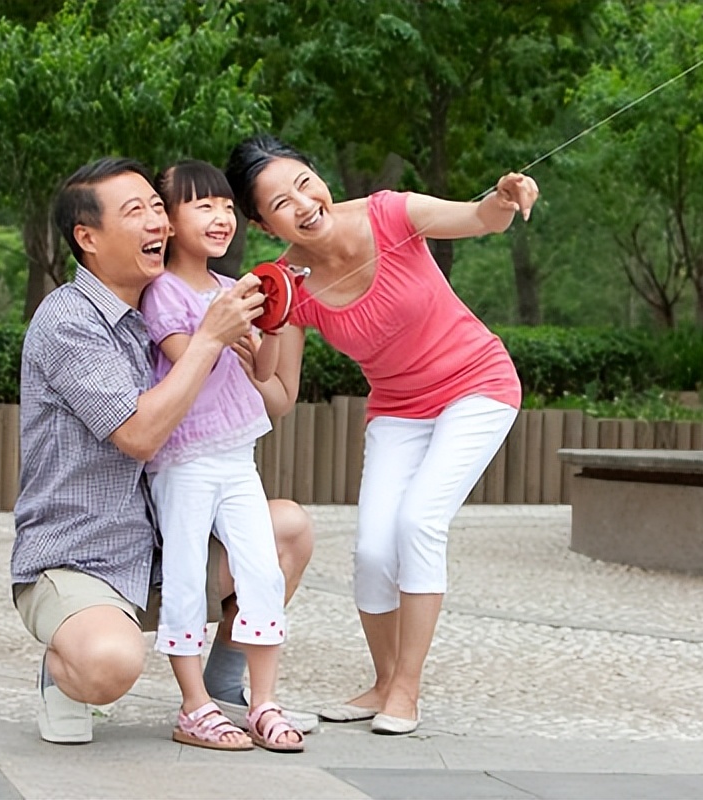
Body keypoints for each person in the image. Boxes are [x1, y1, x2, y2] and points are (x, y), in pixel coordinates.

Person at [225, 135, 538, 735]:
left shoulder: (390, 212)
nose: (303, 203)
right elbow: (281, 397)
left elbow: (478, 218)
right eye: (280, 203)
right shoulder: (286, 284)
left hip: (477, 384)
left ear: (318, 175)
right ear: (264, 224)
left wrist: (504, 195)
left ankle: (407, 691)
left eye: (303, 182)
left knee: (418, 522)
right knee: (372, 549)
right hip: (398, 407)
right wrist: (238, 359)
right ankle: (383, 680)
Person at [10, 156, 314, 745]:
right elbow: (140, 434)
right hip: (82, 561)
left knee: (288, 531)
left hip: (161, 549)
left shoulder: (170, 301)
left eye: (157, 207)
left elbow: (264, 394)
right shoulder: (69, 321)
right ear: (88, 238)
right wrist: (210, 338)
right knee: (108, 664)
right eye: (136, 212)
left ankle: (225, 689)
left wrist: (269, 326)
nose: (158, 223)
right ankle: (62, 670)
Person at [138, 159, 302, 752]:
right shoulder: (163, 293)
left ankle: (263, 703)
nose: (221, 216)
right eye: (202, 205)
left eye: (228, 206)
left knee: (263, 570)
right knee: (185, 577)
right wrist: (226, 324)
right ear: (170, 220)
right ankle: (193, 706)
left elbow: (259, 369)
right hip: (183, 459)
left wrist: (275, 320)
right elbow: (190, 356)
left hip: (238, 456)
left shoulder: (227, 289)